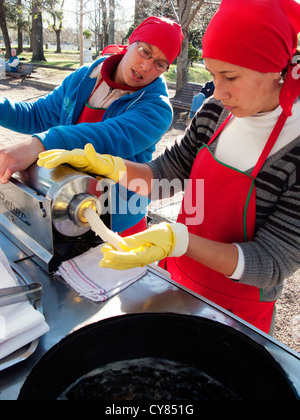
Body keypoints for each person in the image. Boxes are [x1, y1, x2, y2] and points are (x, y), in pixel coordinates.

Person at [38, 0, 300, 335]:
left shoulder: (294, 149)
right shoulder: (214, 114)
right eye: (213, 75)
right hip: (178, 281)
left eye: (230, 76)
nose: (217, 92)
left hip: (238, 311)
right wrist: (111, 167)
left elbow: (272, 262)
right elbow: (167, 173)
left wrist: (181, 241)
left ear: (273, 67)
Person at [0, 17, 183, 235]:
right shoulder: (85, 77)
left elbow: (105, 138)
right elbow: (38, 114)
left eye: (160, 64)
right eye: (145, 51)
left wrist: (39, 144)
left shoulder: (156, 109)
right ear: (131, 41)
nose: (146, 66)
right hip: (65, 206)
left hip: (116, 222)